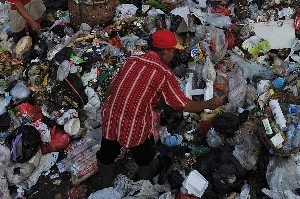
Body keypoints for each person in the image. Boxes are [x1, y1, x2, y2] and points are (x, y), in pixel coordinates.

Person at [95, 30, 226, 188]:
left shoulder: (131, 60)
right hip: (134, 125)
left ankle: (104, 182)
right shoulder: (164, 74)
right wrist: (208, 104)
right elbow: (183, 104)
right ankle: (144, 184)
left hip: (111, 117)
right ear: (164, 52)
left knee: (107, 152)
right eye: (173, 51)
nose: (173, 55)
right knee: (144, 155)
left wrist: (108, 107)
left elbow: (112, 86)